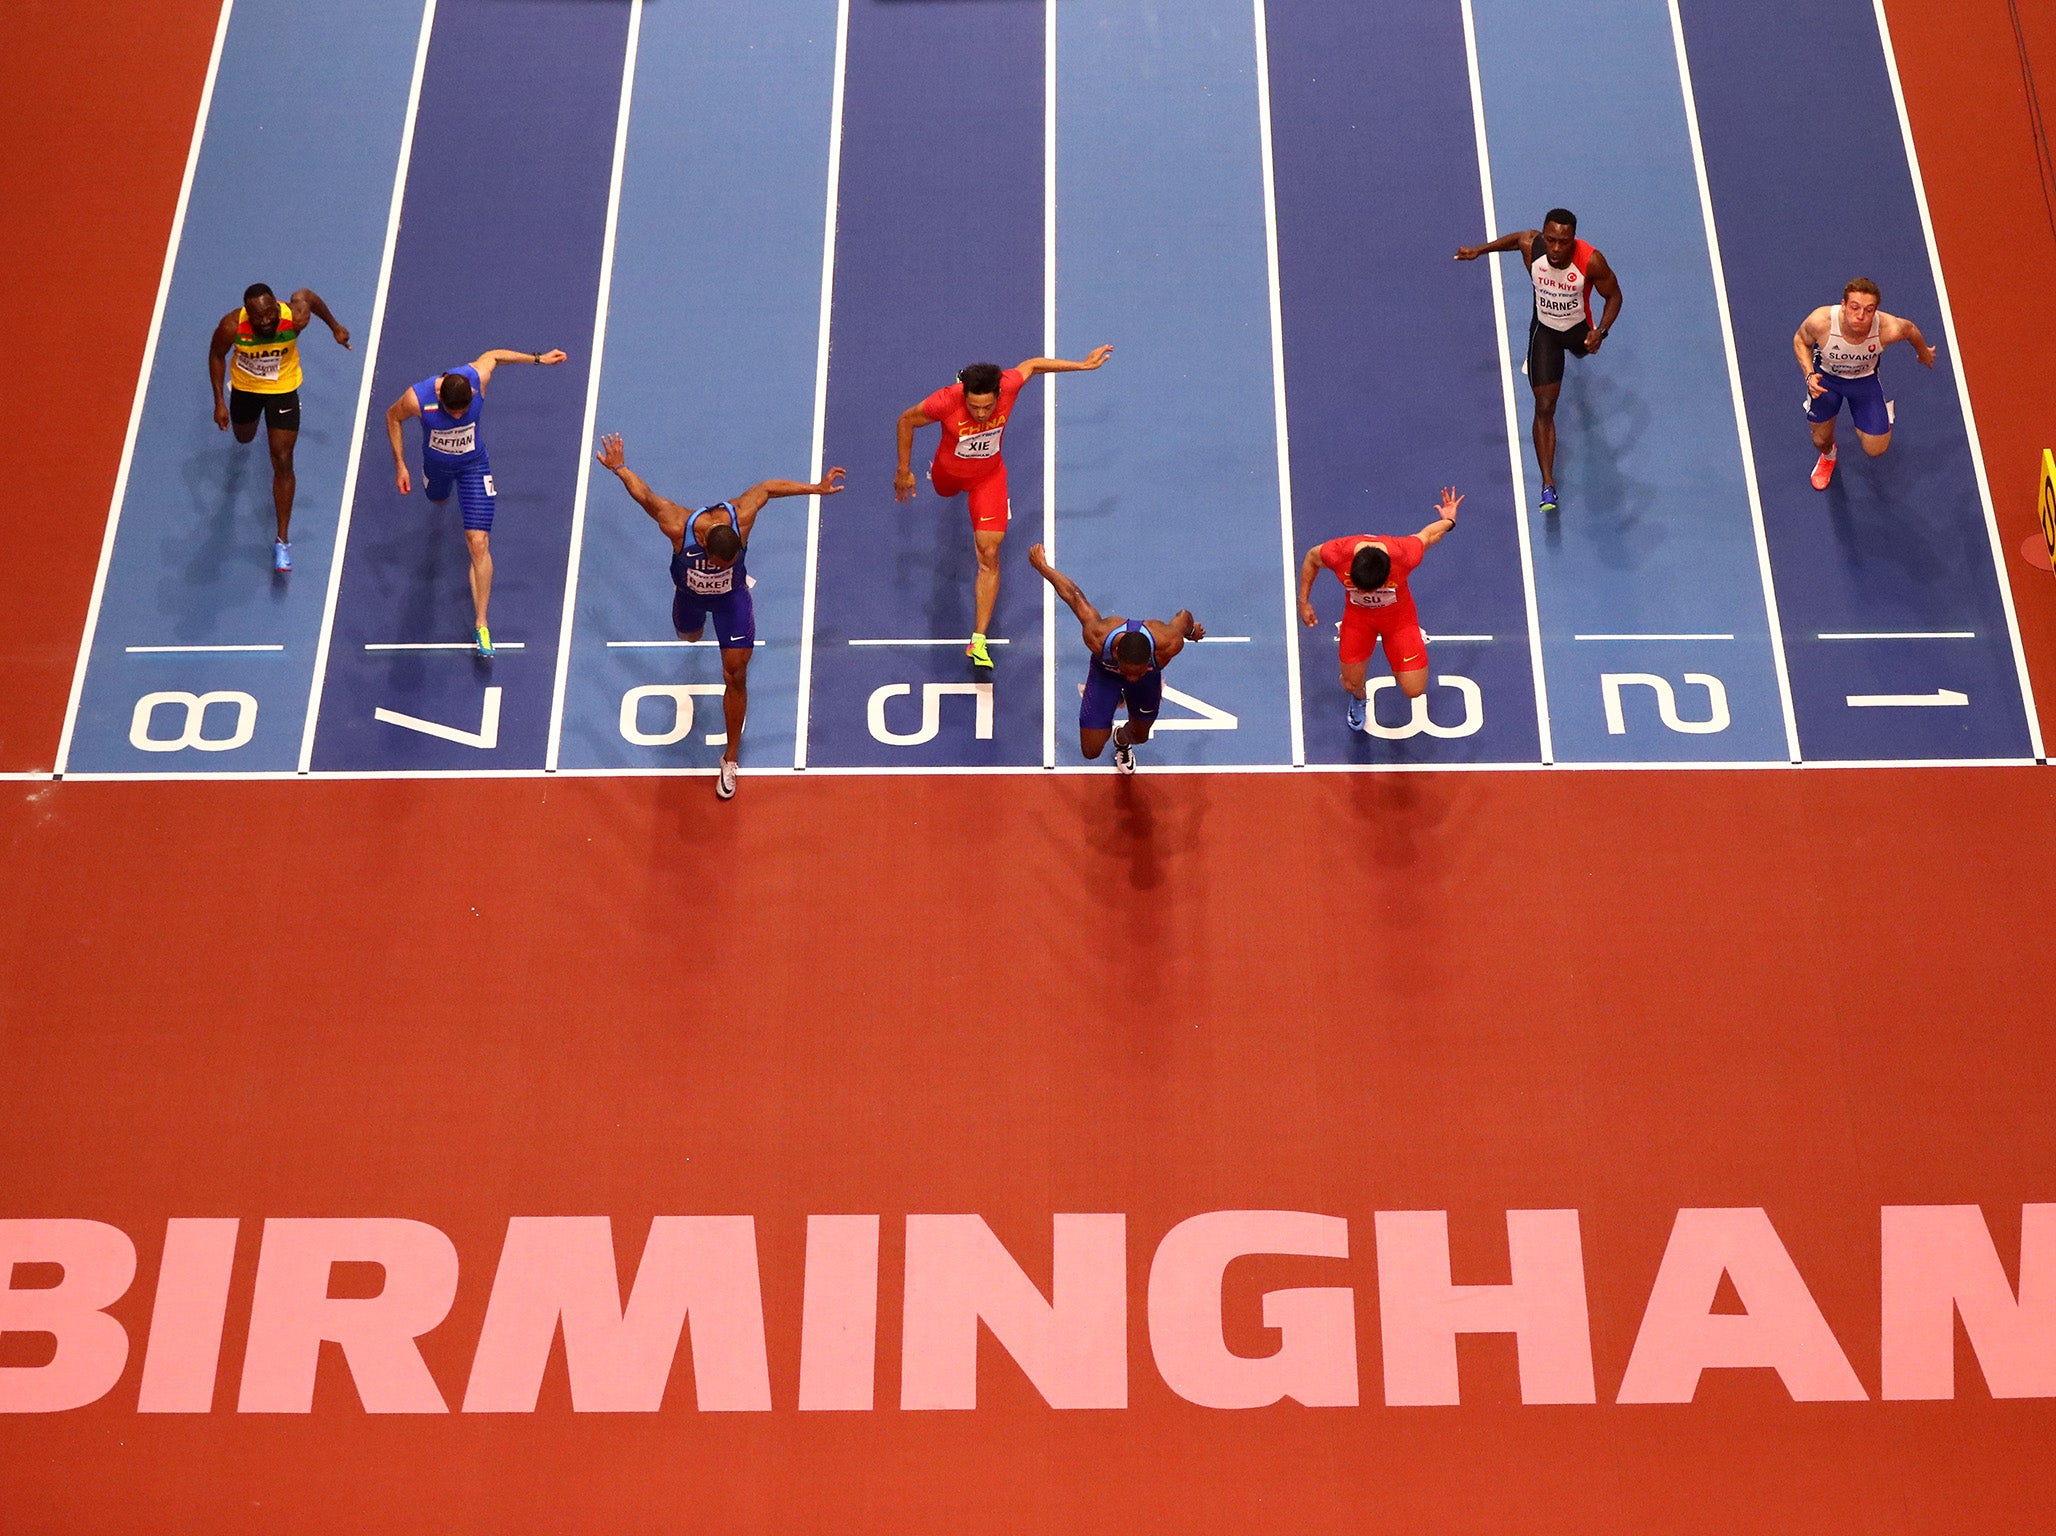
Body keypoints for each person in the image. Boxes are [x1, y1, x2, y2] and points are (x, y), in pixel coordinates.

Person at [597, 433, 844, 799]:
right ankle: (697, 624)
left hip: (732, 601)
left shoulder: (741, 518)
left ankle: (730, 759)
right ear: (708, 551)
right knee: (690, 637)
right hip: (690, 598)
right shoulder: (678, 526)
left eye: (731, 562)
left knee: (735, 674)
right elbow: (646, 497)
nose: (723, 565)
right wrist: (620, 468)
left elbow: (767, 489)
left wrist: (816, 488)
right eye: (719, 564)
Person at [893, 346, 1114, 670]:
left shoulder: (1009, 384)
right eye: (973, 406)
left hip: (989, 478)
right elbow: (906, 421)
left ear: (999, 393)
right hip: (947, 473)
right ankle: (940, 474)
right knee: (942, 492)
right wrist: (903, 470)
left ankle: (978, 640)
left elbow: (1033, 364)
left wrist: (1081, 365)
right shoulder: (945, 400)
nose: (981, 414)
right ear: (963, 394)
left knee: (989, 553)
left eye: (987, 406)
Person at [385, 348, 567, 656]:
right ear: (440, 399)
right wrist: (400, 464)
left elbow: (494, 356)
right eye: (452, 413)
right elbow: (392, 417)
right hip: (437, 468)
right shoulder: (418, 398)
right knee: (438, 500)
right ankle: (440, 493)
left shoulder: (476, 378)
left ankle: (481, 624)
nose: (458, 417)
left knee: (478, 543)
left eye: (463, 412)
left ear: (472, 393)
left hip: (473, 467)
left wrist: (538, 359)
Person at [1455, 209, 1621, 513]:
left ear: (1574, 239)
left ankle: (1582, 348)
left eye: (1564, 242)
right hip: (1545, 333)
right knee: (1545, 407)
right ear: (1544, 236)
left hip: (1578, 331)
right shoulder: (1534, 247)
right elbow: (1518, 239)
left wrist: (1601, 331)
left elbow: (1614, 296)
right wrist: (1479, 251)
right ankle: (1548, 484)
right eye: (1551, 240)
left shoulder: (1591, 261)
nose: (1556, 248)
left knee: (1582, 351)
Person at [208, 282, 351, 572]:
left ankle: (282, 540)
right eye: (257, 316)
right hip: (246, 389)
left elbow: (308, 295)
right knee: (244, 438)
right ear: (247, 313)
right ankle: (245, 415)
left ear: (276, 305)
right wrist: (220, 402)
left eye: (269, 313)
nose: (265, 321)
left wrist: (335, 327)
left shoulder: (294, 316)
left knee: (283, 459)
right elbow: (215, 356)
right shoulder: (231, 327)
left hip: (283, 389)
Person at [1298, 487, 1464, 732]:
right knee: (1350, 683)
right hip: (1358, 619)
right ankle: (1359, 697)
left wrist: (1449, 520)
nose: (1366, 594)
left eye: (1370, 589)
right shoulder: (1338, 552)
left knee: (1414, 689)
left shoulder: (1404, 554)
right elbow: (1311, 558)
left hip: (1399, 620)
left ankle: (1405, 650)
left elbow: (1428, 535)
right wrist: (1304, 601)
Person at [1027, 544, 1202, 773]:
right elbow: (1073, 596)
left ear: (1150, 656)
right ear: (1116, 653)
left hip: (1147, 682)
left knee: (1140, 736)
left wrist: (1190, 632)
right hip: (1105, 675)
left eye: (1137, 672)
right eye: (1128, 672)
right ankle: (1110, 701)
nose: (1131, 678)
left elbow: (1184, 617)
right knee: (1091, 751)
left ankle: (1121, 739)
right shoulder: (1099, 636)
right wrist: (1042, 566)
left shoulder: (1168, 643)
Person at [1793, 278, 1935, 490]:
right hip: (1826, 382)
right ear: (1843, 305)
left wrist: (1923, 353)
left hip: (1864, 384)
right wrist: (1809, 375)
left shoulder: (1888, 328)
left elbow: (1910, 330)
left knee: (1876, 449)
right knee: (1821, 440)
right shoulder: (1821, 322)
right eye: (1854, 308)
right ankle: (1829, 457)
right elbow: (1800, 341)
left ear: (1876, 310)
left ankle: (1878, 415)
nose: (1860, 316)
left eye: (1869, 310)